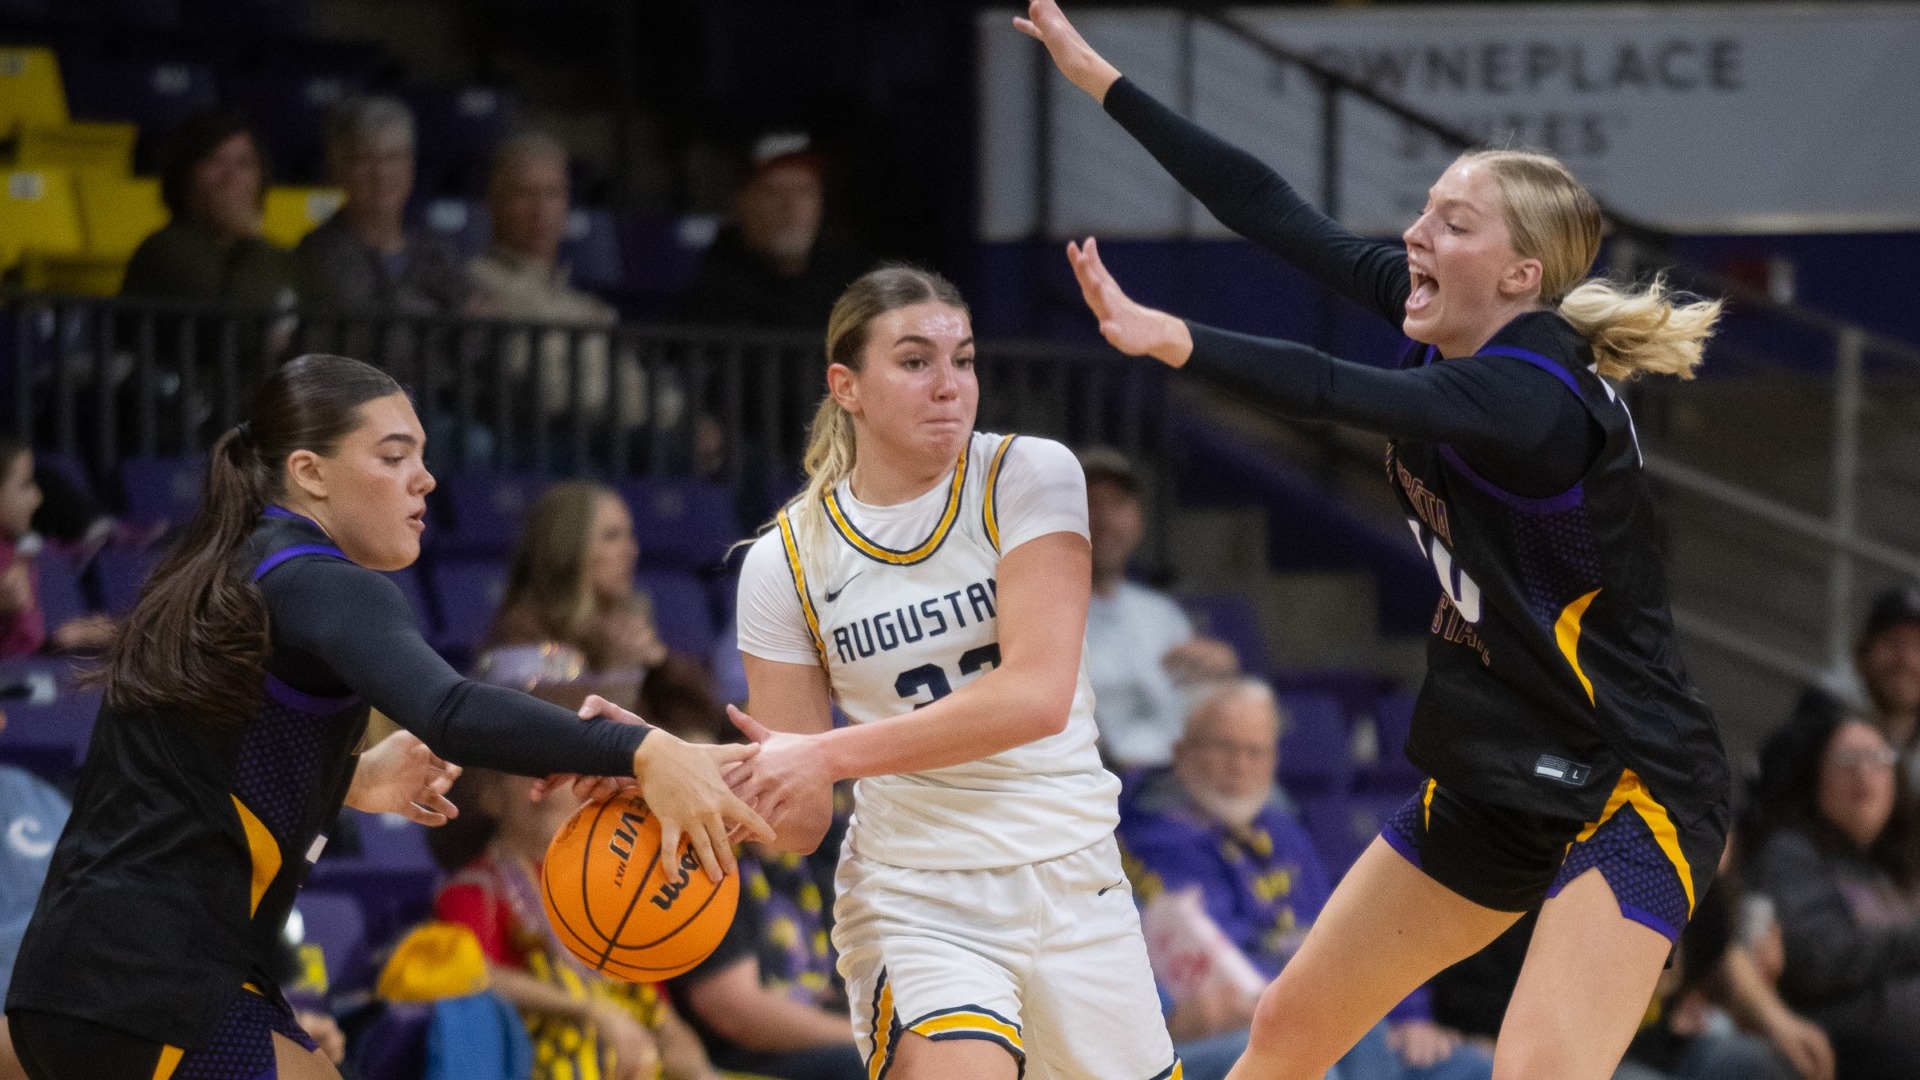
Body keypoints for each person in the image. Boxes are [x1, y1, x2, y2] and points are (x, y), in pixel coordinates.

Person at [1015, 5, 1733, 1078]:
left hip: (1636, 779)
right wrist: (1100, 80)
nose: (1416, 236)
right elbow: (1271, 208)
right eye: (1426, 210)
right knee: (1293, 1025)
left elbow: (1325, 388)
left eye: (1452, 222)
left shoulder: (1531, 399)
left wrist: (1174, 339)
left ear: (1520, 276)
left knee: (1534, 1071)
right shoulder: (1444, 312)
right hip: (1505, 766)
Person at [3, 353, 768, 1080]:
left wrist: (353, 778)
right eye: (395, 456)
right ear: (310, 472)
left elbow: (188, 772)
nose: (426, 480)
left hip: (72, 981)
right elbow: (451, 709)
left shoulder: (225, 571)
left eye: (423, 456)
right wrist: (639, 751)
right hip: (156, 986)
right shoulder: (321, 580)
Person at [724, 265, 1179, 1080]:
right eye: (914, 362)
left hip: (1075, 875)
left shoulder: (1029, 475)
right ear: (847, 386)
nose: (949, 386)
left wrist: (823, 756)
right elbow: (799, 824)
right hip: (920, 891)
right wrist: (685, 776)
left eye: (963, 360)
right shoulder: (783, 561)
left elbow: (1036, 699)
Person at [1118, 679, 1490, 1080]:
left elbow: (1344, 928)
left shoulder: (1283, 830)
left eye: (1256, 752)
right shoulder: (1153, 839)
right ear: (1182, 751)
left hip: (1309, 1010)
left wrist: (1410, 1016)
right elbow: (1223, 974)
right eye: (1224, 748)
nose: (1240, 767)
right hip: (1233, 1024)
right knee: (1331, 1033)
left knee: (1474, 1068)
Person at [432, 768, 720, 1080]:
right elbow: (475, 974)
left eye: (560, 769)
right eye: (527, 766)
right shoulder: (473, 890)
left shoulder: (612, 891)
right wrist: (592, 1012)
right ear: (491, 796)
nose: (544, 780)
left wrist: (689, 1058)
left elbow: (660, 1013)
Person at [483, 480, 727, 739]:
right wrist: (621, 669)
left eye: (629, 535)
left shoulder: (624, 620)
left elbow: (706, 717)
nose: (631, 551)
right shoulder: (522, 627)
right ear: (566, 546)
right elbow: (561, 734)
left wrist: (661, 663)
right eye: (612, 536)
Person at [1749, 712, 1920, 1080]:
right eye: (1846, 760)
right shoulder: (1792, 851)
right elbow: (1812, 957)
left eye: (1878, 759)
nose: (1864, 774)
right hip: (1839, 1048)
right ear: (1816, 777)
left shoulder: (1902, 865)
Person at [468, 131, 652, 435]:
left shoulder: (586, 307)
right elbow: (542, 391)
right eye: (525, 195)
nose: (541, 211)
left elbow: (637, 383)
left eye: (552, 194)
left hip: (617, 434)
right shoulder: (477, 282)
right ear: (495, 202)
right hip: (546, 440)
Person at [1081, 446, 1239, 768]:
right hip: (1102, 780)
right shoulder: (1042, 607)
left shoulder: (1161, 612)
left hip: (1183, 773)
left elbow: (1197, 704)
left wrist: (1223, 670)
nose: (1106, 520)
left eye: (1118, 504)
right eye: (1091, 504)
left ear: (1137, 519)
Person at [665, 840, 865, 1080]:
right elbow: (733, 1010)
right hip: (746, 1056)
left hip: (829, 1022)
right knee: (872, 1064)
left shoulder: (820, 848)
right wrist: (868, 1040)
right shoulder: (710, 867)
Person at [294, 96, 473, 317]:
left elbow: (476, 336)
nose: (381, 173)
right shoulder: (317, 253)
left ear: (410, 166)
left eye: (393, 157)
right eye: (364, 159)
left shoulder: (438, 253)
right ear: (336, 168)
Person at [678, 133, 868, 332]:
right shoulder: (710, 288)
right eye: (773, 191)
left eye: (803, 190)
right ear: (742, 202)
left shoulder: (849, 284)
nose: (790, 206)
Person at [120, 111, 296, 308]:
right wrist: (252, 240)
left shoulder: (276, 255)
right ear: (184, 176)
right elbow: (237, 321)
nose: (230, 177)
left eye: (244, 164)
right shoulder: (163, 252)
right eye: (214, 161)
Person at [0, 438, 114, 657]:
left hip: (34, 659)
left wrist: (21, 564)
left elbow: (31, 541)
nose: (37, 497)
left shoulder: (18, 541)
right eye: (25, 485)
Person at [1849, 587, 1920, 792]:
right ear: (1861, 654)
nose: (1905, 660)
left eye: (1918, 647)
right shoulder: (1817, 736)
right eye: (1893, 643)